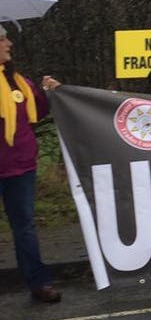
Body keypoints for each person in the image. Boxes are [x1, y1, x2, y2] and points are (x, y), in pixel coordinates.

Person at [0, 24, 62, 303]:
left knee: (25, 227)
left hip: (20, 166)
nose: (9, 44)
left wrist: (50, 92)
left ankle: (38, 283)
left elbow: (39, 108)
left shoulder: (18, 80)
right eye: (2, 39)